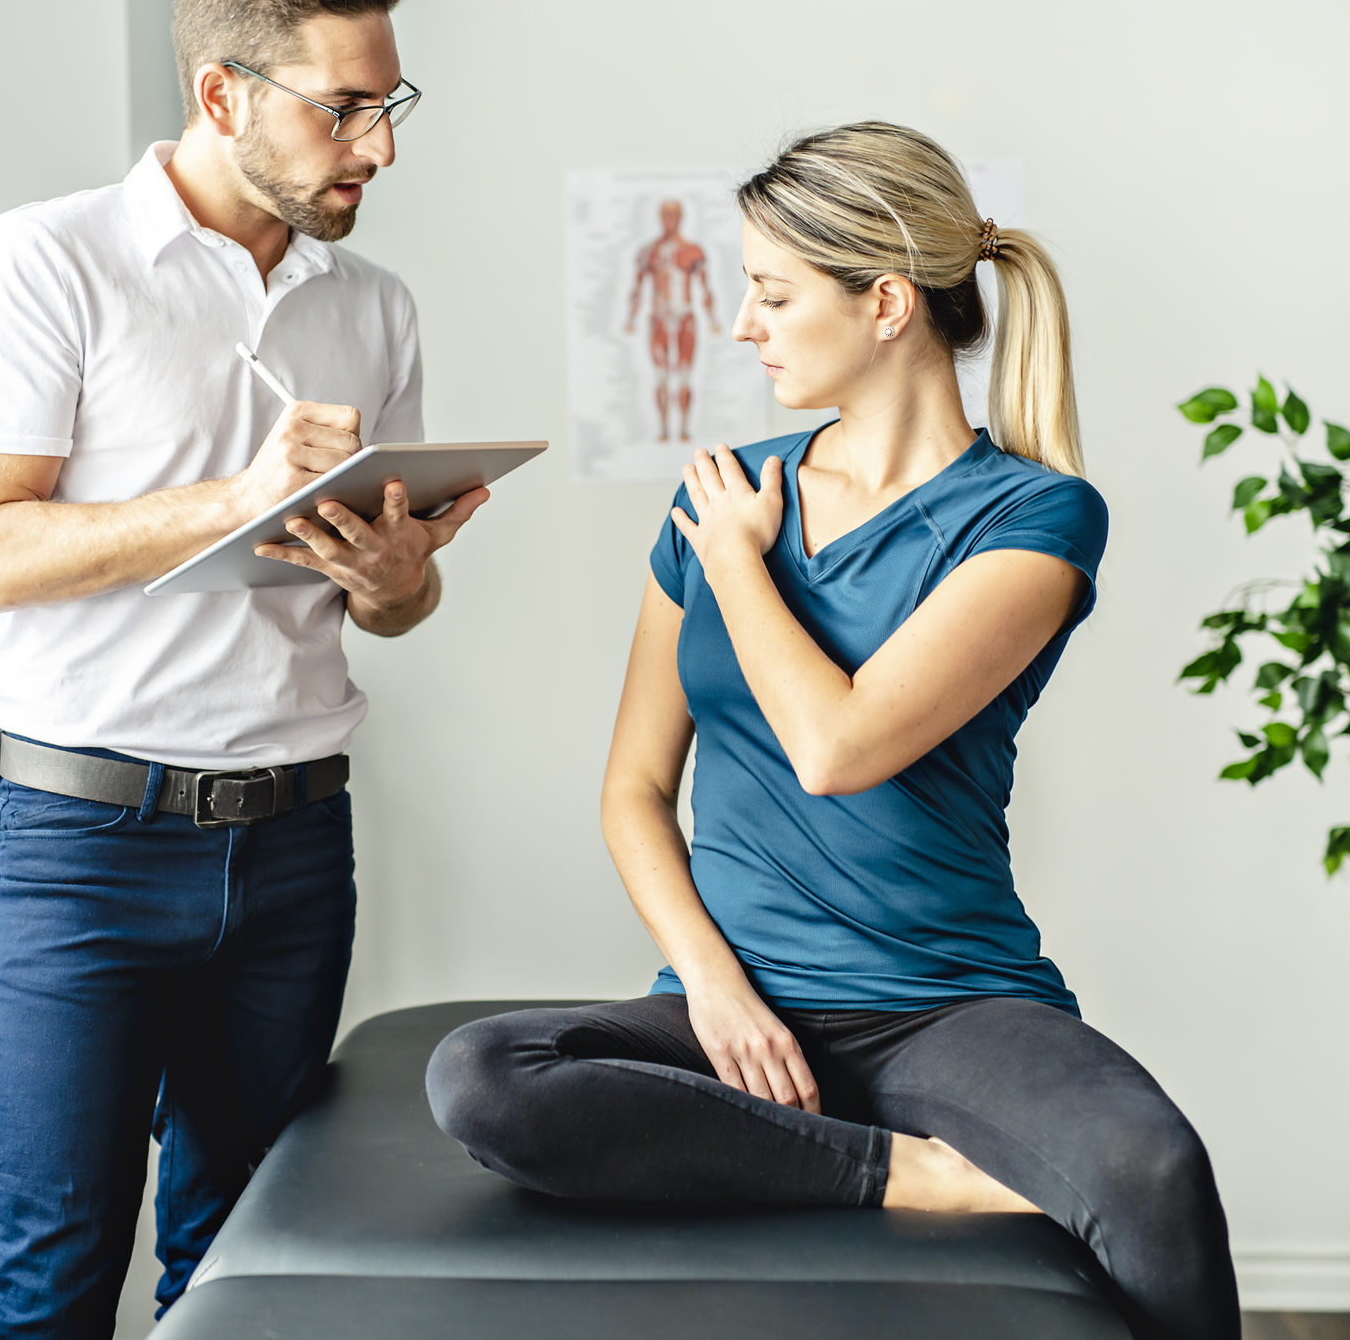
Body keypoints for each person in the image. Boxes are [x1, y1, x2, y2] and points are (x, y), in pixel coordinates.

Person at [427, 122, 1239, 1340]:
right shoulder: (717, 494)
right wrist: (713, 988)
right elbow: (635, 789)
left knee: (1152, 1173)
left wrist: (742, 566)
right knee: (483, 1077)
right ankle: (899, 1167)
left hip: (947, 1007)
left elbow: (840, 746)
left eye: (770, 293)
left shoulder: (1033, 516)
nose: (743, 325)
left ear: (888, 304)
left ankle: (890, 1135)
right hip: (736, 1002)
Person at [0, 0, 480, 1335]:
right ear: (222, 93)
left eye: (389, 104)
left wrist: (394, 572)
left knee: (252, 1266)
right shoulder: (48, 262)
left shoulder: (374, 304)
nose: (380, 148)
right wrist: (237, 496)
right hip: (82, 849)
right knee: (48, 1272)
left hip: (296, 844)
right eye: (343, 107)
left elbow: (395, 611)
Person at [624, 198, 720, 442]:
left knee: (685, 374)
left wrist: (712, 319)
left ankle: (685, 428)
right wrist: (630, 318)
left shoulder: (693, 251)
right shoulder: (649, 252)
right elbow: (637, 288)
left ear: (681, 217)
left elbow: (706, 287)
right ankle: (664, 429)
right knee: (661, 375)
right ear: (660, 217)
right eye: (666, 215)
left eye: (675, 214)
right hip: (659, 317)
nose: (671, 220)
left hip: (685, 316)